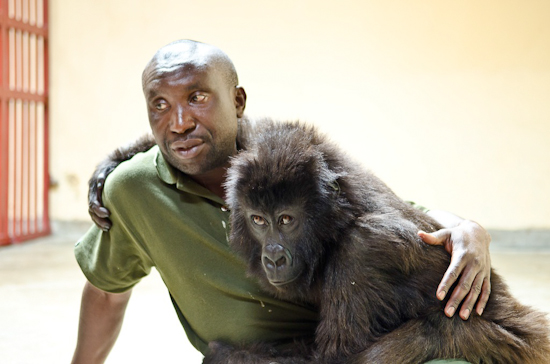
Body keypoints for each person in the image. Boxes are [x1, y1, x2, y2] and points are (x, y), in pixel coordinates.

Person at [72, 40, 492, 364]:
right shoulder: (132, 188)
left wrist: (465, 227)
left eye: (198, 98)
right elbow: (107, 292)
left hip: (360, 335)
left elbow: (385, 210)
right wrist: (117, 156)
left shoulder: (280, 158)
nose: (179, 122)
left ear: (238, 102)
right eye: (159, 105)